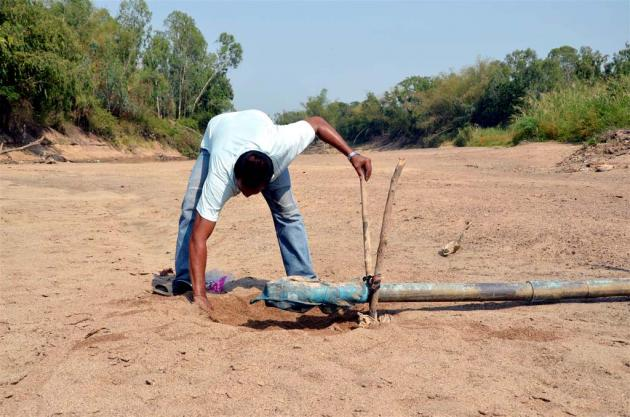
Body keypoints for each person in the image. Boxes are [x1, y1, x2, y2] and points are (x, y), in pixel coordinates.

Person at [173, 109, 372, 313]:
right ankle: (185, 280)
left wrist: (352, 155)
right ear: (236, 179)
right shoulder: (220, 176)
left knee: (288, 214)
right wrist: (200, 295)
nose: (249, 197)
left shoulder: (282, 146)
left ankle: (303, 280)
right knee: (191, 209)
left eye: (256, 190)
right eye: (245, 190)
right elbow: (199, 237)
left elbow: (318, 123)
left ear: (270, 178)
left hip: (261, 132)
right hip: (218, 133)